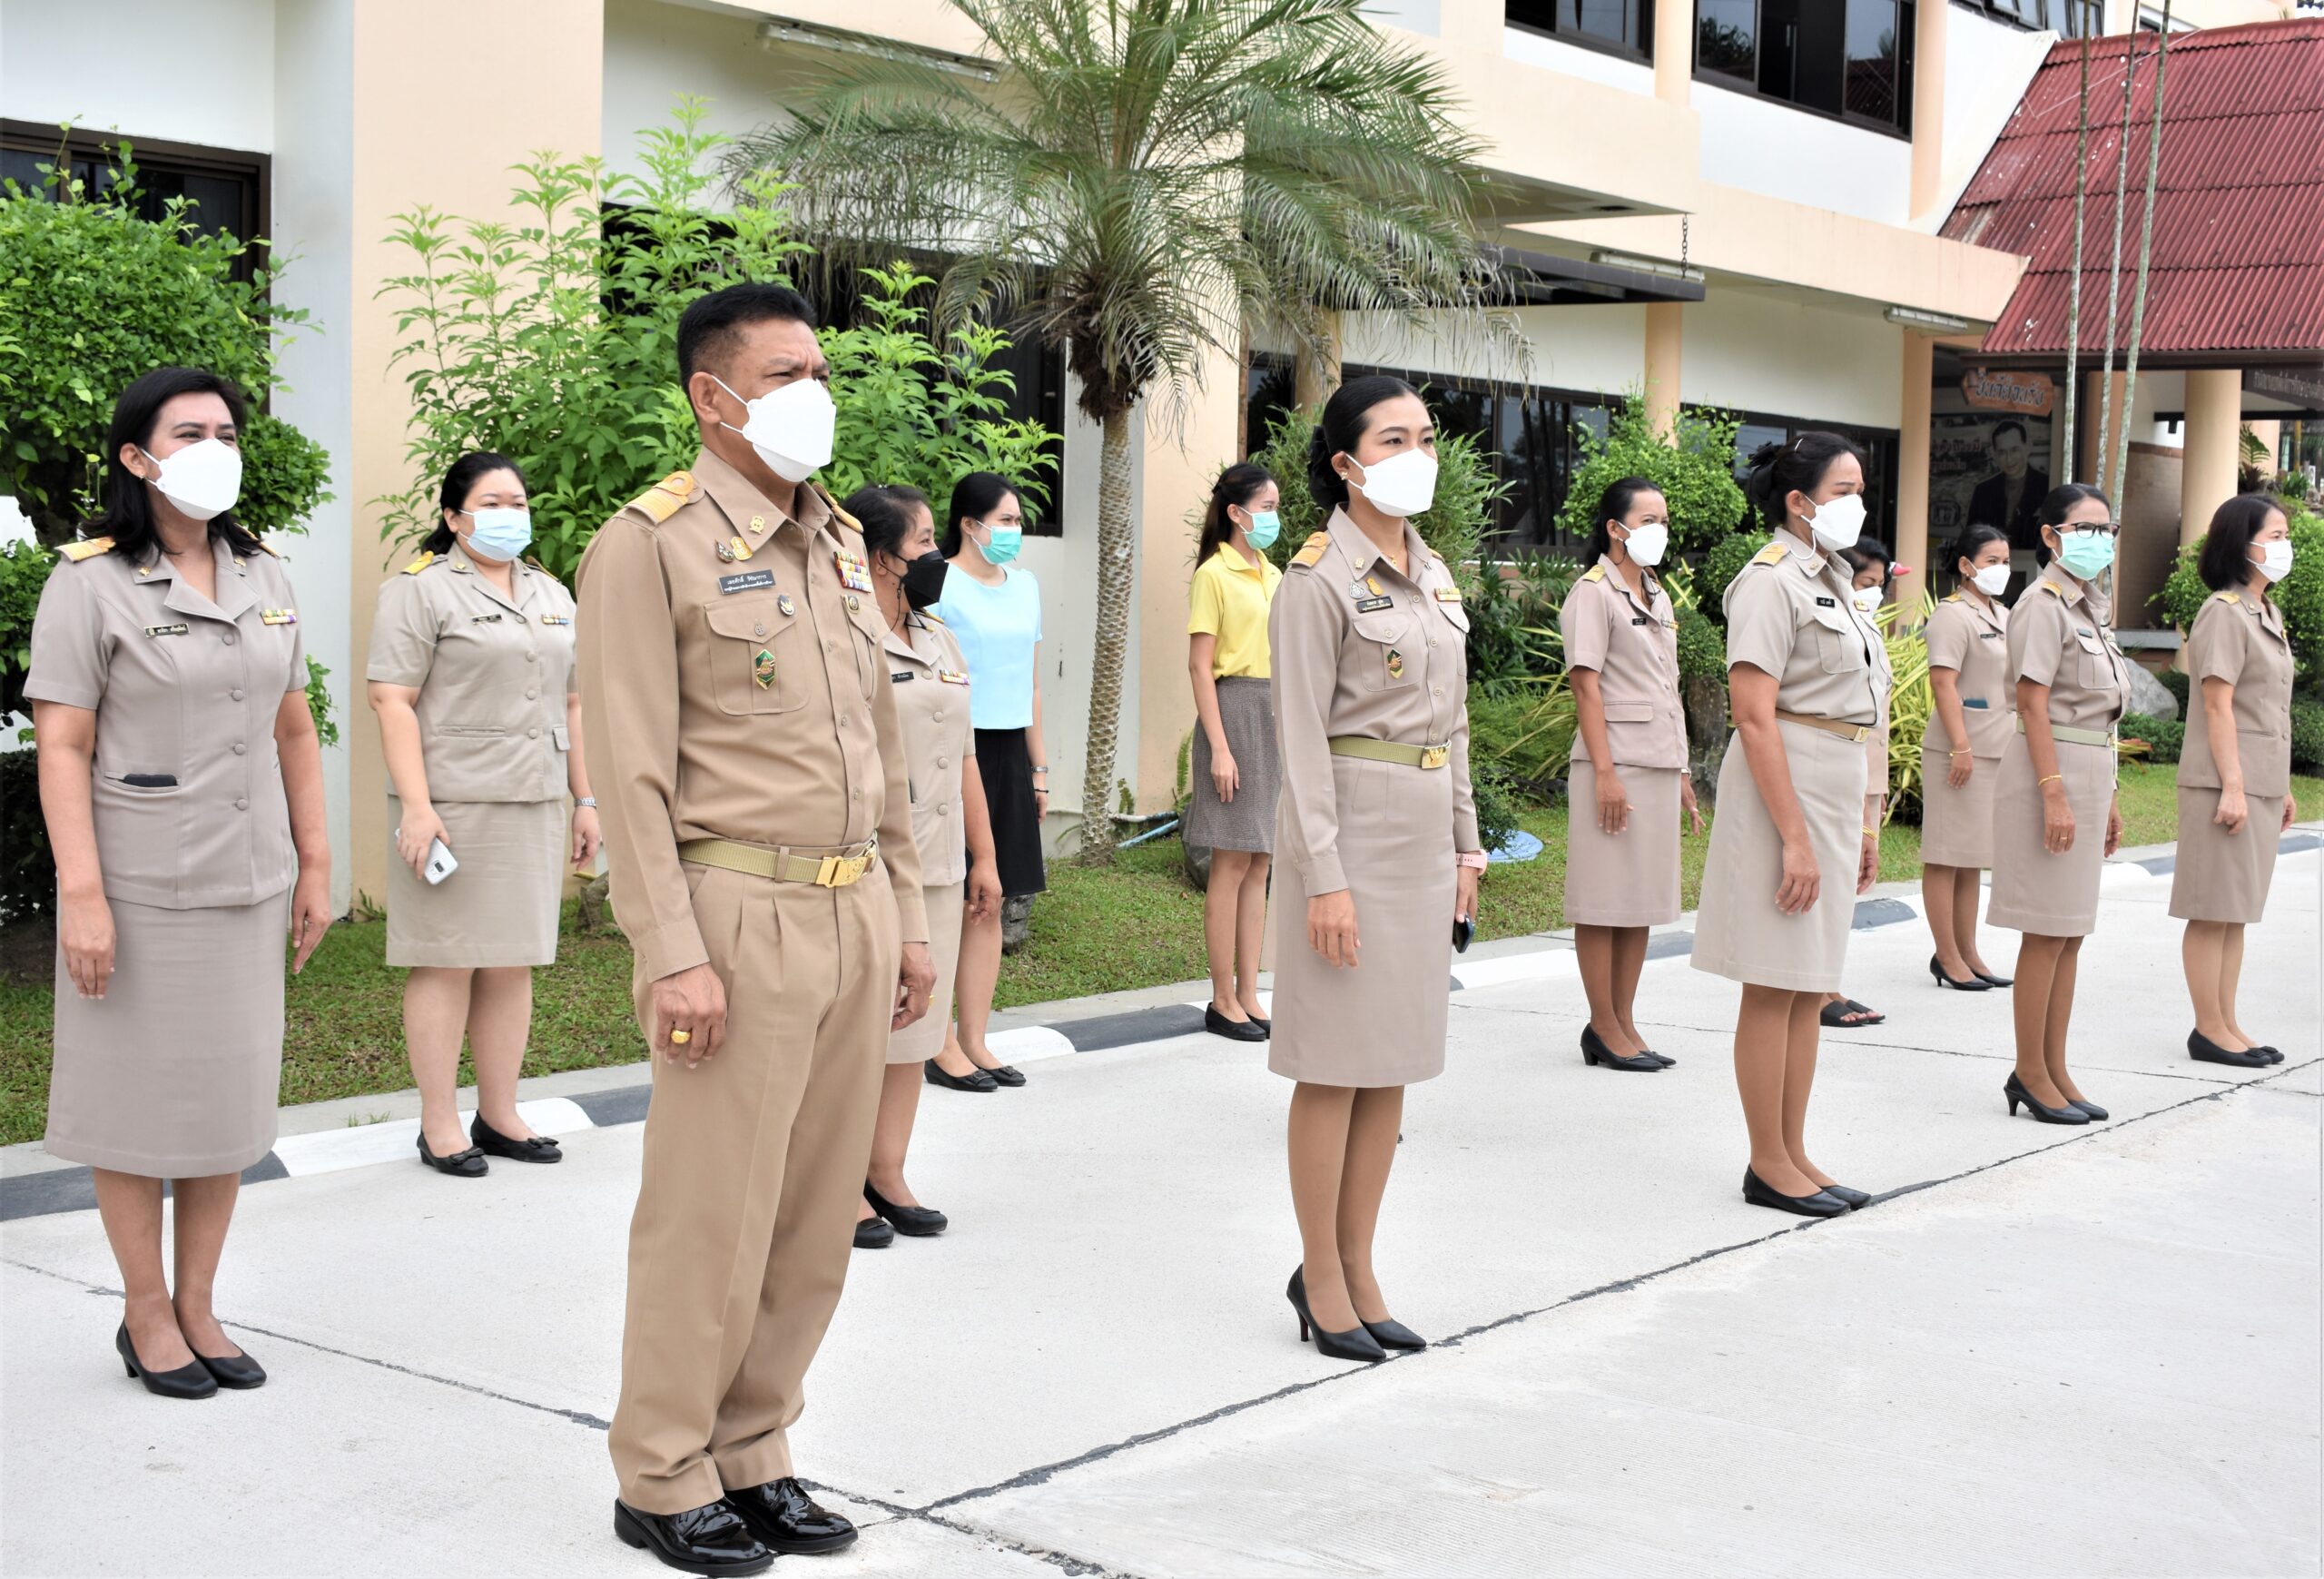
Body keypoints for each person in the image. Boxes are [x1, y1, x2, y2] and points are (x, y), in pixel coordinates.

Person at [576, 281, 935, 1574]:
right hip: (735, 911)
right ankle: (663, 1468)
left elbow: (878, 749)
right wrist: (671, 950)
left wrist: (907, 916)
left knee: (814, 1207)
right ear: (712, 396)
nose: (813, 393)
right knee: (710, 1211)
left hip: (854, 905)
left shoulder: (835, 541)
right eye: (786, 375)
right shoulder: (651, 543)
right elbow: (630, 769)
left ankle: (755, 1445)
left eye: (818, 371)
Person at [27, 366, 332, 1398]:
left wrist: (316, 861)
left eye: (227, 432)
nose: (216, 448)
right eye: (190, 432)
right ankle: (144, 1308)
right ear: (137, 457)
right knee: (134, 1105)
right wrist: (82, 895)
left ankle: (199, 1303)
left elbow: (295, 728)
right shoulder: (89, 581)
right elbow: (62, 746)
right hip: (138, 887)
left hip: (248, 882)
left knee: (224, 1108)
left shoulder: (266, 573)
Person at [1271, 374, 1481, 1362]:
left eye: (1426, 437)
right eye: (1394, 439)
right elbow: (1301, 742)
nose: (1418, 455)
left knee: (1391, 1060)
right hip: (1349, 835)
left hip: (1422, 838)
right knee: (1333, 1064)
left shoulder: (1433, 573)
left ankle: (1359, 1265)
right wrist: (1323, 877)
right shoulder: (1315, 580)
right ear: (1346, 463)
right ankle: (1319, 1274)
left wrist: (1467, 842)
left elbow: (1455, 724)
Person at [368, 452, 601, 1177]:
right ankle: (438, 1121)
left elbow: (573, 702)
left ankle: (499, 1113)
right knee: (446, 960)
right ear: (453, 516)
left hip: (533, 799)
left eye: (518, 502)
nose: (510, 514)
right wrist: (416, 806)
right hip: (453, 805)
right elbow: (391, 699)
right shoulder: (420, 590)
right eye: (492, 502)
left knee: (511, 959)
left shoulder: (551, 591)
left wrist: (586, 798)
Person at [1689, 433, 1883, 1219]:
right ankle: (1767, 1162)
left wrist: (1861, 826)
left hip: (1833, 785)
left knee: (1809, 987)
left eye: (1860, 489)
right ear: (1799, 502)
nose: (1857, 503)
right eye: (1843, 490)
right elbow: (1753, 714)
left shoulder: (1834, 580)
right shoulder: (1769, 581)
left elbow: (1859, 711)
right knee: (1774, 984)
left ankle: (1794, 1150)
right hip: (1784, 791)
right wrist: (1795, 837)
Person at [842, 483, 1004, 1248]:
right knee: (859, 1031)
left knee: (915, 1027)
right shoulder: (846, 636)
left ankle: (887, 1171)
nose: (936, 555)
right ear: (881, 557)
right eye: (924, 541)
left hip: (938, 859)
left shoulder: (939, 637)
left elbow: (965, 753)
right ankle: (837, 1184)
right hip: (866, 863)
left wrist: (985, 855)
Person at [1986, 483, 2128, 1127]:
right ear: (2050, 536)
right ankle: (2029, 1070)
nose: (2100, 539)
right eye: (2085, 528)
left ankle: (2054, 1065)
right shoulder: (2041, 605)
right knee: (2046, 932)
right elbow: (2033, 704)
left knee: (2070, 933)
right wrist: (2053, 794)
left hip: (2089, 772)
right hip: (2052, 774)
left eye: (2107, 529)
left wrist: (2109, 797)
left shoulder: (2088, 607)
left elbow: (2102, 718)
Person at [1558, 476, 1702, 1072]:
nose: (1659, 530)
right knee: (1603, 899)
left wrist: (1683, 771)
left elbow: (1667, 689)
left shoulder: (1656, 594)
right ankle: (1602, 1024)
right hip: (1613, 764)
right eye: (1648, 521)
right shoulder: (1593, 593)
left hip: (1657, 763)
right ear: (1616, 529)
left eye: (1663, 521)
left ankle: (1625, 1021)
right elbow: (1585, 687)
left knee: (1638, 901)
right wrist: (1605, 774)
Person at [2171, 494, 2299, 1070]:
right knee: (2212, 907)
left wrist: (2280, 785)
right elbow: (2217, 705)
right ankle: (2208, 1029)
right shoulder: (2223, 612)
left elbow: (2267, 708)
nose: (2285, 545)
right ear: (2240, 543)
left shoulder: (2264, 611)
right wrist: (2232, 786)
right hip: (2225, 783)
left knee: (2236, 909)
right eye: (2275, 535)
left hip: (2258, 781)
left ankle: (2228, 1022)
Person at [927, 471, 1044, 1091]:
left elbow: (1031, 682)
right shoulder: (938, 583)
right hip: (953, 750)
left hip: (1009, 752)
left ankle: (974, 1037)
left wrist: (1039, 768)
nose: (1014, 531)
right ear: (969, 524)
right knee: (950, 897)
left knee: (991, 900)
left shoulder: (1025, 586)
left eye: (1017, 520)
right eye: (1004, 520)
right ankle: (939, 1041)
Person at [1186, 461, 1285, 1041]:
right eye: (1266, 508)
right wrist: (1220, 748)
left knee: (1261, 861)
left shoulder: (1275, 574)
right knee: (1231, 861)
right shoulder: (1213, 574)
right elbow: (1200, 666)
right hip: (1235, 712)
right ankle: (1222, 998)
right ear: (1236, 513)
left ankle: (1250, 992)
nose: (1274, 517)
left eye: (1276, 508)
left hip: (1273, 715)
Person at [1919, 522, 2016, 992]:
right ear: (1965, 565)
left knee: (1972, 856)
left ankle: (1969, 951)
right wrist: (1961, 745)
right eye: (1992, 561)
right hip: (1958, 751)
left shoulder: (2004, 614)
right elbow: (1943, 683)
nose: (2002, 569)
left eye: (2006, 561)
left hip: (1996, 748)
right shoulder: (1952, 615)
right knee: (1946, 855)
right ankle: (1947, 955)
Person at [1813, 538, 1905, 1031]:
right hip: (1834, 767)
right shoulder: (1834, 624)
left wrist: (1880, 788)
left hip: (1866, 774)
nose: (1875, 592)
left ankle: (1829, 983)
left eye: (1880, 584)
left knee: (1847, 886)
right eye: (1867, 582)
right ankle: (1815, 989)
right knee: (1828, 883)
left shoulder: (1867, 627)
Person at [1967, 419, 2051, 551]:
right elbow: (1971, 541)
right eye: (2002, 452)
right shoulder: (1983, 491)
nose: (2009, 459)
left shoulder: (2047, 486)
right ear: (1994, 453)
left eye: (2014, 450)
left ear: (2028, 447)